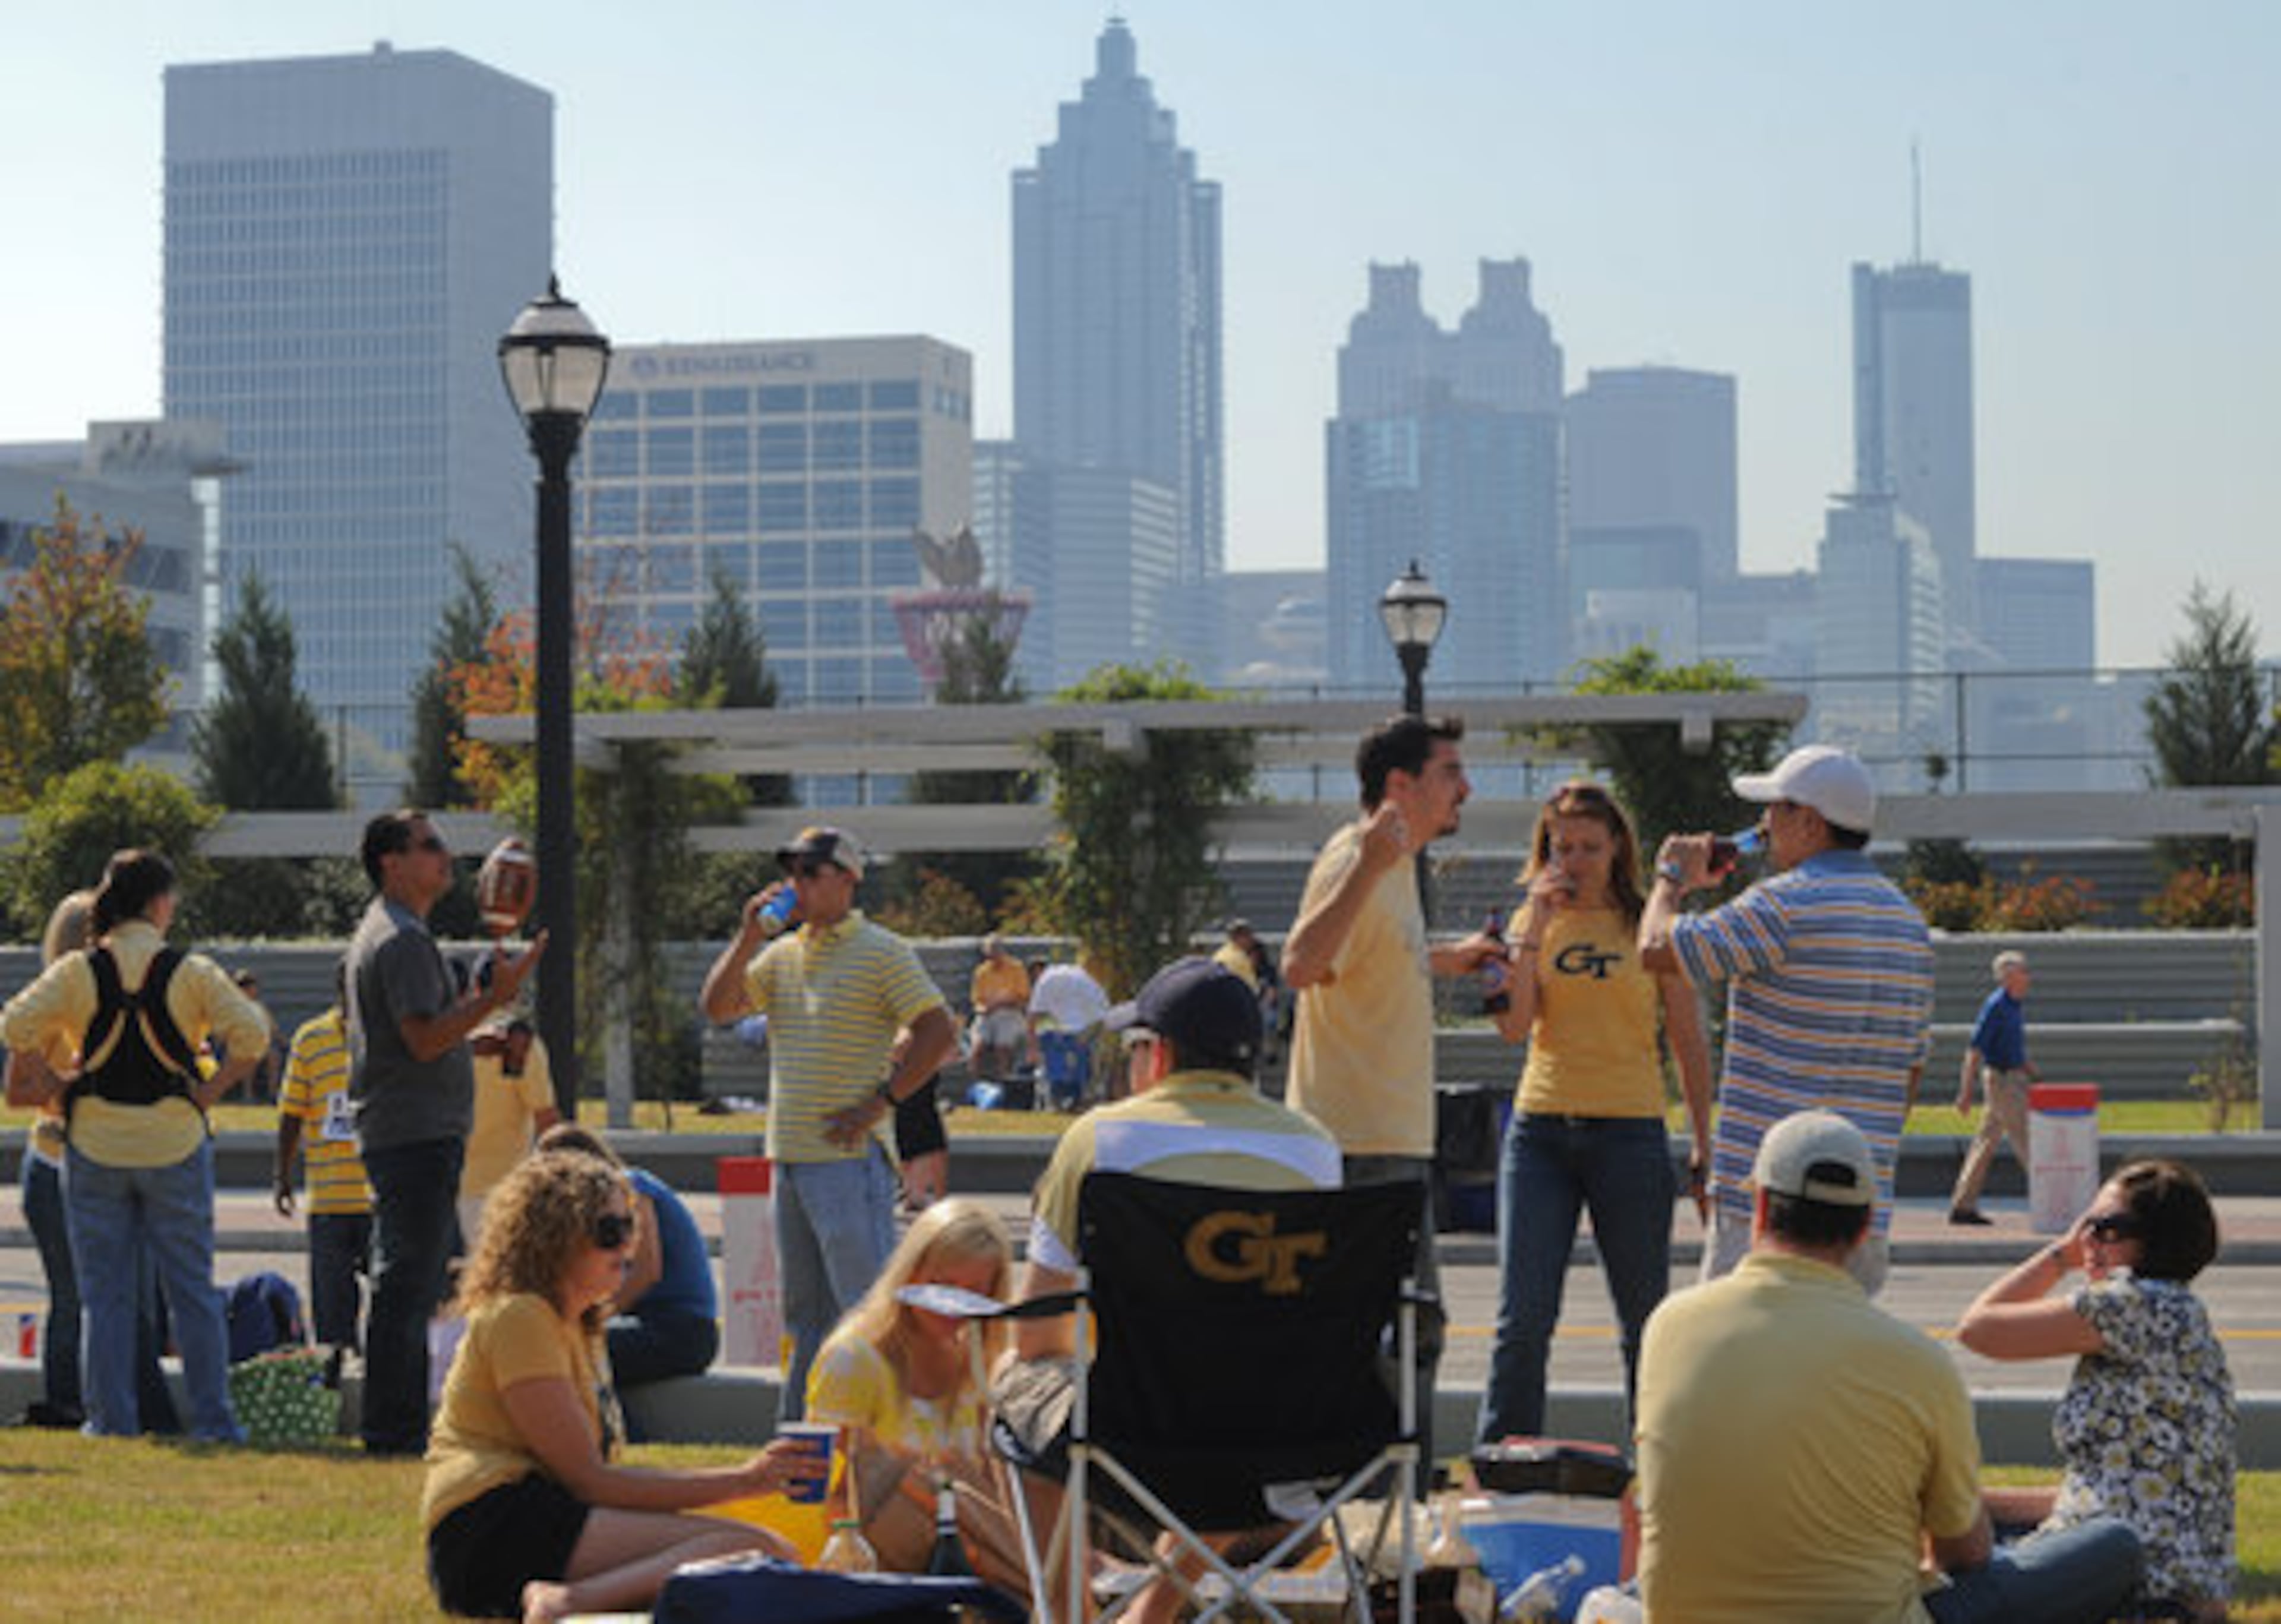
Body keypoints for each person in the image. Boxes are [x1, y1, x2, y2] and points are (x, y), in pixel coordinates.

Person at [1634, 1110, 2142, 1624]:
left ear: (1761, 1208)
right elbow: (1963, 1556)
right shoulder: (1917, 1362)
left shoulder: (1668, 1327)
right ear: (1863, 1230)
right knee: (2113, 1546)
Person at [996, 956, 1342, 1624]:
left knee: (1019, 1376)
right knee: (1229, 1401)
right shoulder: (1316, 1150)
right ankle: (1153, 1608)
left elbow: (1035, 1333)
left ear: (1160, 1054)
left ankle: (1068, 1616)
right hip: (1282, 1431)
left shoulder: (1098, 1138)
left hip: (1132, 1430)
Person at [422, 1150, 823, 1623]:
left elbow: (599, 1481)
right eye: (610, 1232)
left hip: (539, 1514)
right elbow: (588, 1479)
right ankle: (567, 1603)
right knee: (752, 1550)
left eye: (631, 1226)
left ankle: (572, 1600)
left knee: (762, 1555)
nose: (628, 1248)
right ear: (558, 1236)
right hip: (490, 1527)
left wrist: (745, 1482)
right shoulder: (520, 1316)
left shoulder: (577, 1325)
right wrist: (746, 1480)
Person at [1283, 713, 1500, 1482]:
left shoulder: (1396, 865)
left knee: (1400, 1329)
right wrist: (1370, 863)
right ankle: (1375, 1495)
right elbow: (1303, 962)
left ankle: (1374, 1491)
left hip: (1389, 1138)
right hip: (1358, 1143)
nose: (1466, 786)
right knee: (1403, 1330)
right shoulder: (1361, 857)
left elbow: (1374, 957)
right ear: (1400, 786)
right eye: (1450, 771)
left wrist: (1454, 959)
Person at [1639, 743, 1934, 1294]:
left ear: (1810, 822)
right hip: (1862, 1205)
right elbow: (1910, 1072)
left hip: (1771, 1199)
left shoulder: (1783, 903)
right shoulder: (1907, 922)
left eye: (1775, 808)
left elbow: (1655, 948)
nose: (1763, 823)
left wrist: (1671, 878)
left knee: (1741, 1369)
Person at [1, 849, 268, 1442]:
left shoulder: (77, 971)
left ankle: (111, 1421)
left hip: (94, 1145)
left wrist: (62, 1082)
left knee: (105, 1297)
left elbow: (13, 1024)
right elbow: (253, 1033)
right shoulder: (191, 971)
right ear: (158, 903)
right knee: (192, 1292)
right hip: (174, 1141)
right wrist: (209, 1090)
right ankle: (214, 1422)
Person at [1477, 781, 1713, 1444]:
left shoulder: (1648, 923)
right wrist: (1537, 926)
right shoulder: (1532, 922)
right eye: (1562, 845)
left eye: (1589, 846)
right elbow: (1514, 1028)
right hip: (1542, 1131)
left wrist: (1703, 1139)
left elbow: (1688, 1038)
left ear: (1617, 850)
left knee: (1646, 1322)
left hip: (1629, 1133)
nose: (1575, 859)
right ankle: (1502, 1469)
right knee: (1522, 1318)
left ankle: (1660, 1469)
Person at [699, 825, 958, 1424]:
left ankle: (891, 1448)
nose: (799, 883)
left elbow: (938, 1030)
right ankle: (801, 1454)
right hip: (788, 1160)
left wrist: (881, 1103)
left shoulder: (883, 950)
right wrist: (745, 935)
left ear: (849, 878)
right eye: (793, 871)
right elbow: (717, 1007)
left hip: (846, 1162)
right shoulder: (782, 954)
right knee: (807, 1321)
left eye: (812, 871)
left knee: (869, 1315)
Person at [1955, 1159, 2235, 1619]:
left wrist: (2061, 1256)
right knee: (1958, 1525)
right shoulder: (2180, 1313)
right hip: (2151, 1571)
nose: (2087, 1238)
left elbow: (1978, 1330)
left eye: (2108, 1228)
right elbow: (2121, 1491)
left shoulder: (2137, 1304)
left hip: (2135, 1585)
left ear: (2156, 1237)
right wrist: (1973, 1503)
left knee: (1937, 1594)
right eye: (2085, 1225)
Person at [349, 808, 545, 1457]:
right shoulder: (403, 939)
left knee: (410, 1279)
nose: (445, 857)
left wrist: (478, 1039)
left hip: (404, 1127)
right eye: (429, 846)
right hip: (415, 1133)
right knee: (408, 1283)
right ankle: (392, 1432)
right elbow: (422, 1037)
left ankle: (394, 1427)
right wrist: (496, 995)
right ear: (391, 862)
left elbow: (419, 1037)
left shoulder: (392, 930)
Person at [807, 1198, 1014, 1481]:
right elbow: (830, 1491)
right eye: (943, 1284)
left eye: (975, 1292)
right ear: (910, 1273)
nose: (953, 1304)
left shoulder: (981, 1361)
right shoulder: (853, 1360)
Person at [538, 1124, 722, 1389]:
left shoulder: (630, 1187)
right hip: (649, 1323)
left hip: (682, 1329)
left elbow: (646, 1272)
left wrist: (591, 1320)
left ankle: (610, 1430)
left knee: (574, 1352)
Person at [274, 961, 374, 1353]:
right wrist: (282, 1176)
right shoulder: (311, 1039)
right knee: (333, 1316)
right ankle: (337, 1388)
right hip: (330, 1200)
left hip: (379, 1198)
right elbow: (291, 1112)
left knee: (392, 1309)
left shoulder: (390, 1035)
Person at [1947, 950, 2039, 1225]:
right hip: (2003, 1083)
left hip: (2011, 1078)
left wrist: (2033, 1073)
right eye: (2024, 971)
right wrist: (1965, 1092)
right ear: (2009, 977)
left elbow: (2013, 1049)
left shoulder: (2013, 1005)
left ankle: (1963, 1206)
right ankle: (2053, 1204)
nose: (2029, 976)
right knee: (2027, 1141)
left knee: (1985, 1143)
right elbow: (1974, 1050)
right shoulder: (1997, 1006)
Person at [460, 1016, 563, 1247]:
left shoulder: (447, 1037)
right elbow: (547, 1119)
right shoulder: (519, 1041)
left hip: (452, 1184)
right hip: (506, 1185)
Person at [1028, 953, 1110, 1110]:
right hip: (1094, 1021)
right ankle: (1079, 1097)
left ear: (1037, 971)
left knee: (1060, 1057)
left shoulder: (1045, 980)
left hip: (1078, 1024)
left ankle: (1062, 1096)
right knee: (1081, 1061)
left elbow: (1032, 1016)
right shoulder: (1076, 973)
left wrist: (1033, 1049)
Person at [965, 934, 1032, 1085]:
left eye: (996, 952)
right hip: (988, 1014)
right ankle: (974, 1084)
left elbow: (1023, 998)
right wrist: (983, 1009)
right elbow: (977, 1000)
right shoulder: (982, 972)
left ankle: (1005, 1082)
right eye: (990, 954)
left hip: (1010, 1013)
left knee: (1003, 1046)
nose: (994, 957)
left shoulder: (1017, 968)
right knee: (977, 1046)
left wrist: (1002, 1003)